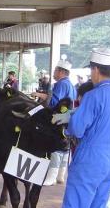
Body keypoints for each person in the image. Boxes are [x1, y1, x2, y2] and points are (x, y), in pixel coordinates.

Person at [52, 48, 110, 208]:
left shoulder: (92, 96)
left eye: (91, 71)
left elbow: (77, 129)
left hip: (89, 160)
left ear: (95, 70)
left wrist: (69, 121)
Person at [31, 58, 76, 186]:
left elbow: (54, 102)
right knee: (64, 147)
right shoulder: (71, 85)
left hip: (58, 118)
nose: (54, 73)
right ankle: (60, 175)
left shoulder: (61, 84)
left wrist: (39, 95)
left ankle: (51, 176)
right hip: (67, 119)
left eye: (55, 70)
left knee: (55, 146)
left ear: (61, 71)